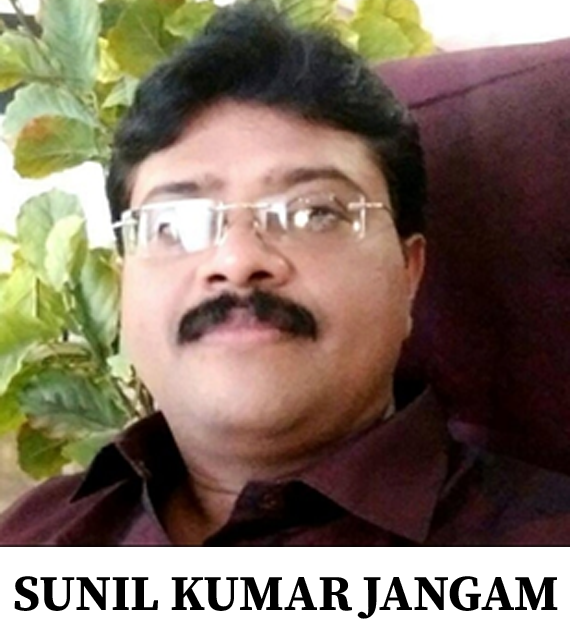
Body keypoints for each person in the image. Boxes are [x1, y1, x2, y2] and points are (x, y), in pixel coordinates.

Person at [2, 3, 570, 546]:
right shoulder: (34, 534)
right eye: (174, 222)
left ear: (408, 273)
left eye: (313, 213)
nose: (236, 259)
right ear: (125, 285)